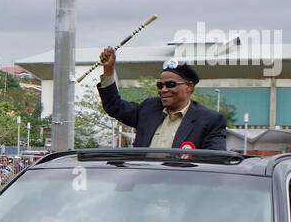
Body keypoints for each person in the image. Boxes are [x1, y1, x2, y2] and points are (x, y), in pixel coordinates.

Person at [96, 51, 227, 150]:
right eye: (160, 85)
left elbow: (214, 163)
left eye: (170, 85)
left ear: (189, 86)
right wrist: (108, 71)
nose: (163, 90)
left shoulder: (209, 120)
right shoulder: (148, 109)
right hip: (142, 182)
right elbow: (114, 106)